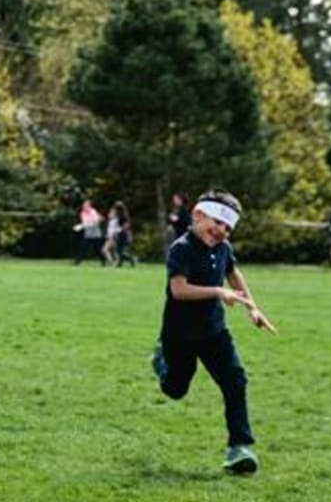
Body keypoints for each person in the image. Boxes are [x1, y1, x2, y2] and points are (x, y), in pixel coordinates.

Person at [151, 190, 277, 475]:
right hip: (179, 335)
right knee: (175, 389)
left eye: (228, 227)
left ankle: (239, 448)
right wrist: (219, 291)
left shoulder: (223, 249)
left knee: (235, 380)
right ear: (197, 215)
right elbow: (178, 290)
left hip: (214, 333)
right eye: (218, 223)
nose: (222, 231)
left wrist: (252, 308)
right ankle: (161, 361)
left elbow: (234, 274)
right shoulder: (181, 248)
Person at [72, 200, 104, 265]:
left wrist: (81, 226)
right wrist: (80, 226)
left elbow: (95, 223)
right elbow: (85, 222)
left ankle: (103, 260)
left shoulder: (93, 212)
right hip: (88, 234)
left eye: (86, 205)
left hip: (95, 234)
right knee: (83, 248)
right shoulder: (82, 213)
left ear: (89, 206)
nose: (84, 207)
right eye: (83, 205)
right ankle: (77, 261)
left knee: (98, 250)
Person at [112, 201, 139, 267]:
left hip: (123, 234)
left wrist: (119, 230)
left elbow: (126, 225)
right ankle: (120, 263)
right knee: (119, 250)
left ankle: (132, 259)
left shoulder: (123, 216)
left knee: (120, 251)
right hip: (121, 234)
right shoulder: (120, 215)